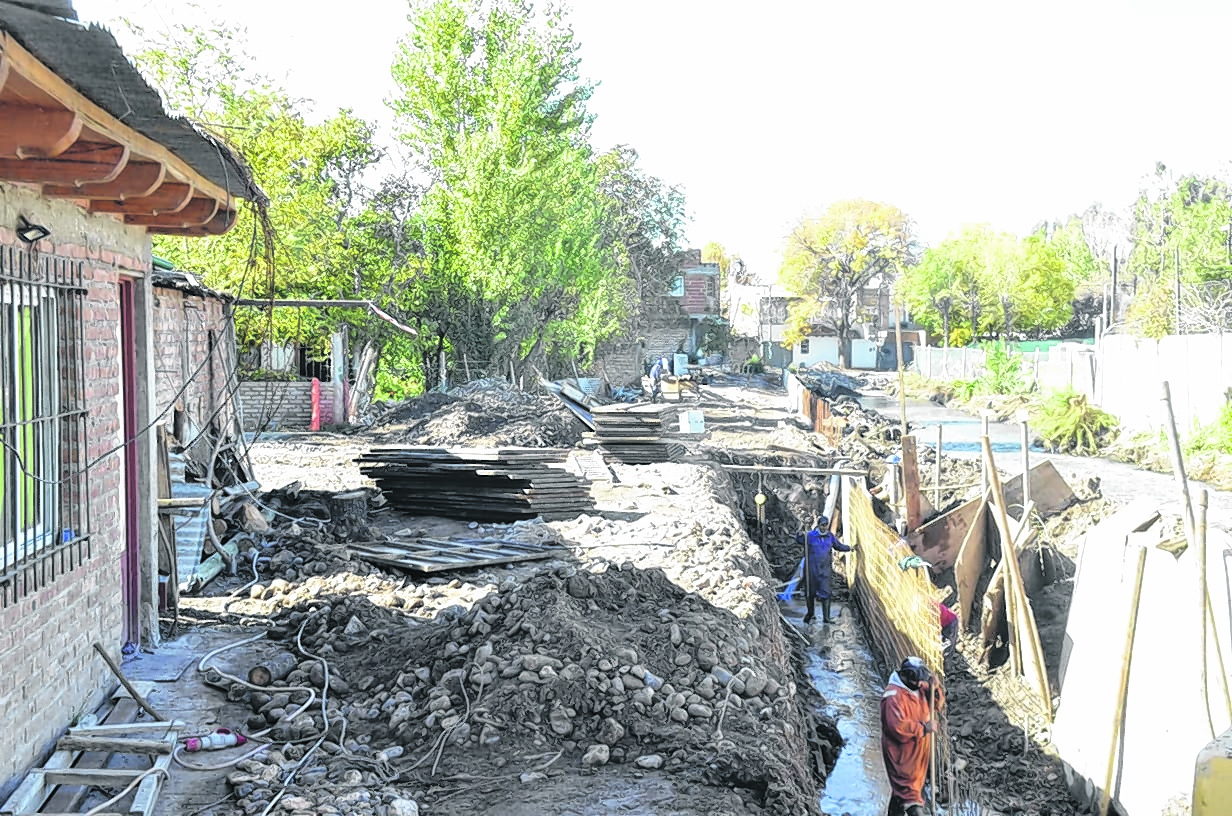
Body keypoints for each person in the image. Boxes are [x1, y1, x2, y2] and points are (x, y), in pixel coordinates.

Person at [880, 656, 945, 816]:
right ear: (905, 676)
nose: (919, 683)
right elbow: (897, 727)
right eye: (916, 680)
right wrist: (923, 728)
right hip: (902, 755)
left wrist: (935, 689)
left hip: (919, 753)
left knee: (902, 792)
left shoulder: (921, 688)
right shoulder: (893, 697)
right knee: (911, 798)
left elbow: (936, 705)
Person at [796, 515, 852, 624]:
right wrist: (799, 533)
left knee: (825, 592)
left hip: (825, 570)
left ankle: (826, 618)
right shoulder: (810, 536)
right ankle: (810, 614)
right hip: (811, 569)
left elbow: (838, 546)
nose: (824, 527)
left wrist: (849, 548)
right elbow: (799, 540)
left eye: (826, 525)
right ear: (818, 525)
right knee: (810, 592)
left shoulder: (830, 537)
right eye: (822, 525)